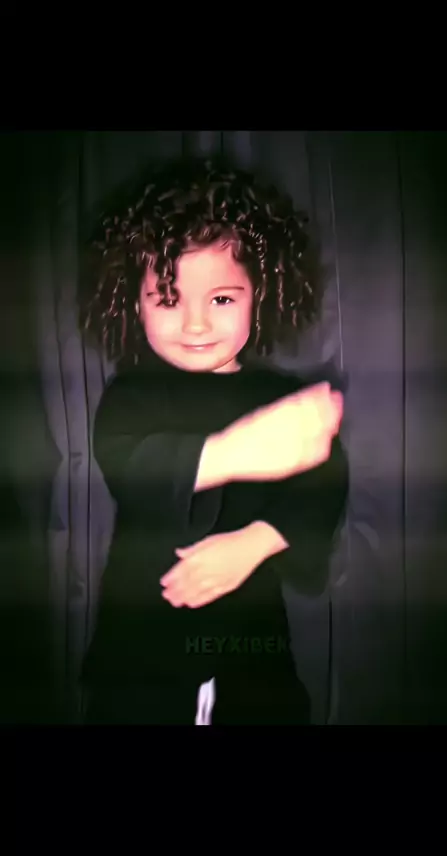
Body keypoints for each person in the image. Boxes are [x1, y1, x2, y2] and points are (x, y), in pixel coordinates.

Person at [79, 155, 348, 725]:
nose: (196, 324)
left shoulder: (277, 395)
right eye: (169, 298)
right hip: (142, 651)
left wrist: (257, 541)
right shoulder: (132, 393)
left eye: (221, 299)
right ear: (134, 302)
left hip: (252, 648)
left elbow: (325, 482)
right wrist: (230, 454)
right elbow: (130, 464)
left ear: (260, 295)